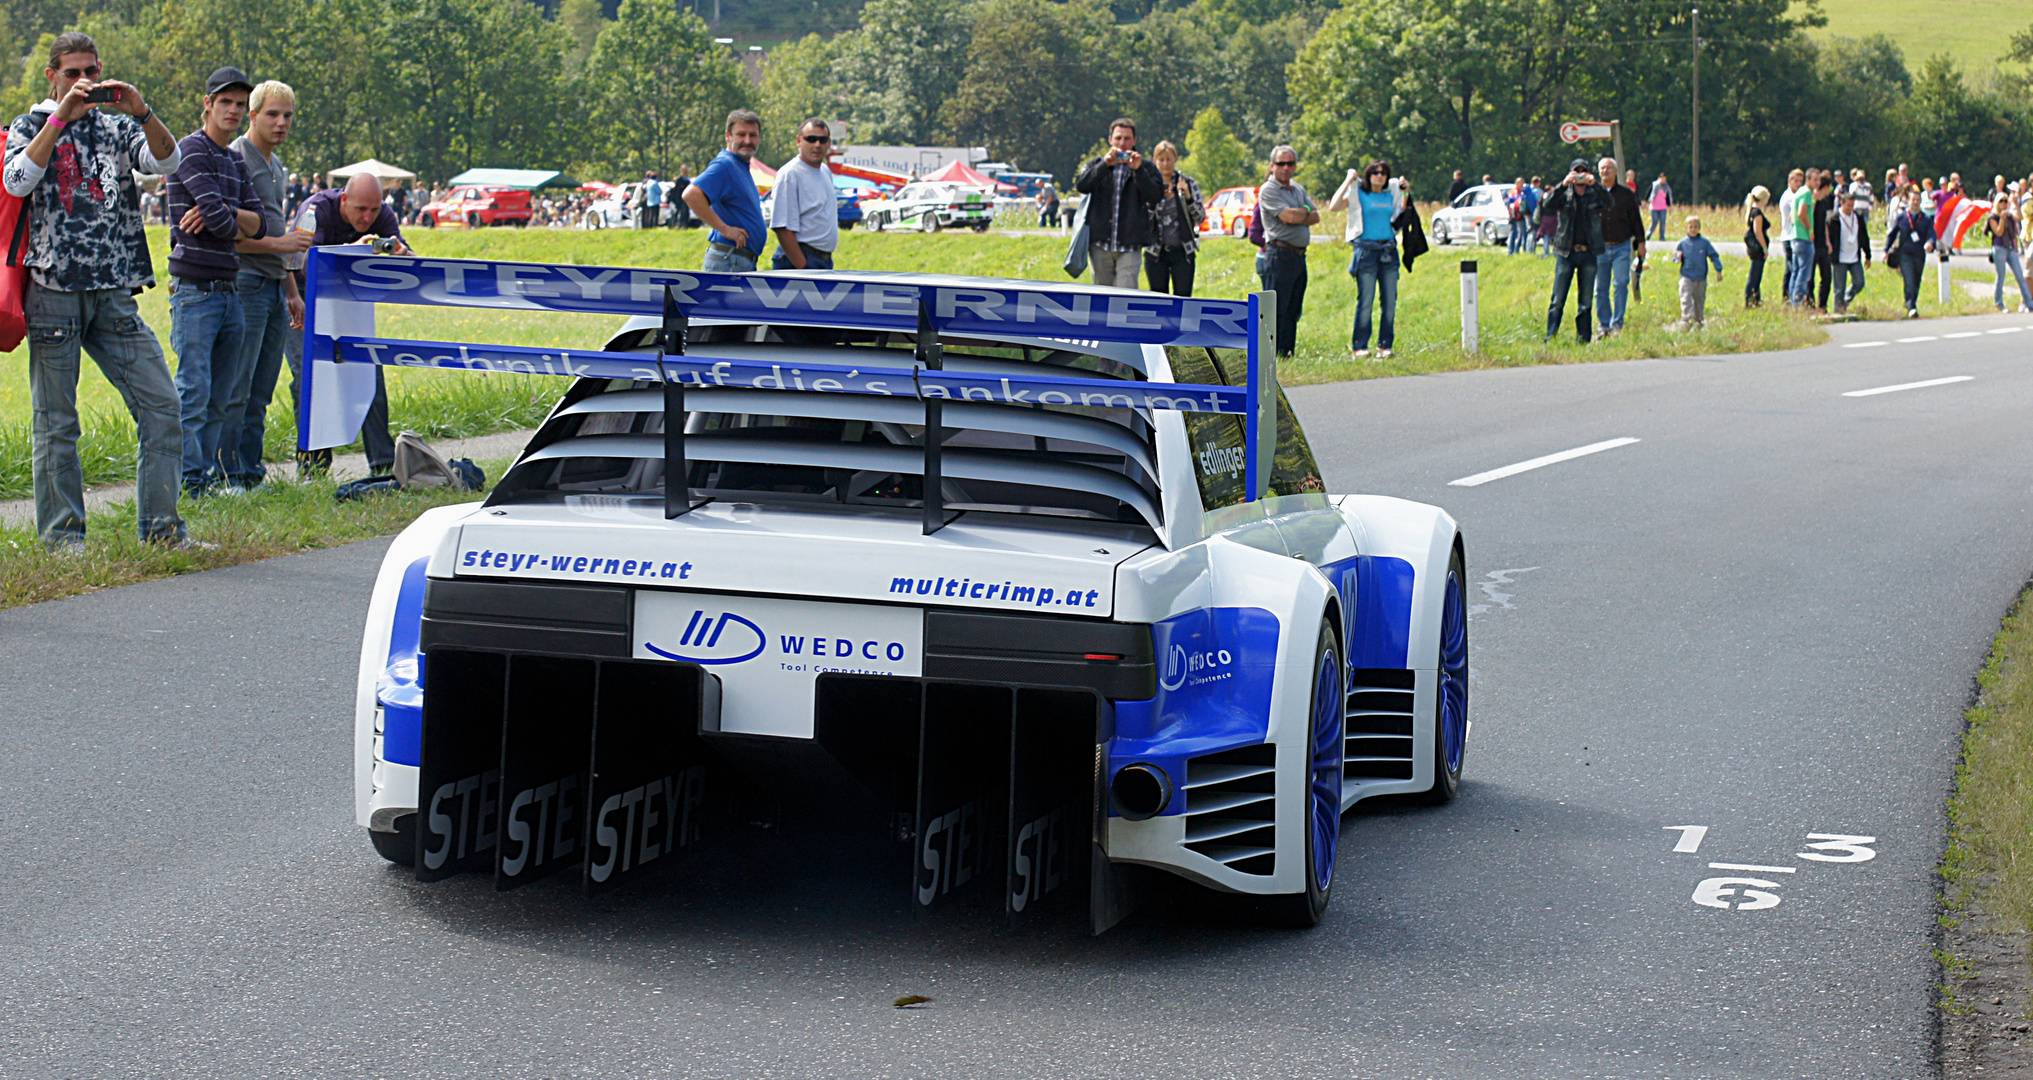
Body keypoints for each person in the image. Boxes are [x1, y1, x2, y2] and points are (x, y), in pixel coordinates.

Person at [2, 32, 198, 549]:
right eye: (72, 73)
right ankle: (63, 542)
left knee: (162, 405)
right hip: (54, 292)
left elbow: (167, 162)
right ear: (52, 76)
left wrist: (142, 109)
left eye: (91, 72)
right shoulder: (29, 124)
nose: (83, 82)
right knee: (56, 424)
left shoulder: (114, 126)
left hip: (113, 293)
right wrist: (59, 118)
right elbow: (17, 181)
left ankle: (162, 532)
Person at [167, 66, 269, 496]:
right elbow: (229, 223)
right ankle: (186, 482)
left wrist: (224, 214)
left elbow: (259, 225)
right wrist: (230, 218)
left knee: (221, 398)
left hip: (230, 291)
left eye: (239, 104)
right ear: (207, 104)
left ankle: (203, 480)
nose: (232, 110)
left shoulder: (233, 159)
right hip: (195, 291)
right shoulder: (189, 150)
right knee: (193, 394)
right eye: (225, 102)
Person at [220, 80, 312, 491]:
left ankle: (251, 470)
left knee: (262, 389)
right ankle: (226, 472)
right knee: (237, 385)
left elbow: (277, 229)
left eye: (288, 116)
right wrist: (281, 247)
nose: (281, 123)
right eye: (272, 114)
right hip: (246, 281)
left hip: (275, 283)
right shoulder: (237, 157)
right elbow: (230, 232)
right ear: (252, 115)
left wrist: (291, 289)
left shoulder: (276, 166)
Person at [295, 174, 411, 475]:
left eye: (374, 210)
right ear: (344, 200)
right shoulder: (315, 210)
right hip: (303, 301)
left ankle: (383, 465)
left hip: (349, 303)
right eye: (360, 209)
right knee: (310, 377)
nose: (368, 217)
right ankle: (313, 468)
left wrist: (402, 254)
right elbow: (300, 261)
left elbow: (405, 259)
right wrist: (351, 249)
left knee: (369, 369)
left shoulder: (382, 213)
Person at [1327, 159, 1409, 359]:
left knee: (1389, 300)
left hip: (1388, 249)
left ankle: (1385, 346)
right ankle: (1360, 346)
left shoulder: (1391, 195)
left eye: (1383, 173)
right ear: (1368, 175)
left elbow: (1402, 213)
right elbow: (1334, 206)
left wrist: (1406, 191)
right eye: (1375, 172)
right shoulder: (1359, 194)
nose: (1379, 176)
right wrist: (1348, 179)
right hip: (1366, 250)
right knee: (1366, 300)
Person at [1073, 117, 1163, 289]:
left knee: (1125, 295)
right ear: (1110, 140)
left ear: (1135, 140)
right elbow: (1082, 185)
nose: (1122, 143)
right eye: (1118, 138)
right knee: (1101, 294)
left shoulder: (1147, 167)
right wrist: (1104, 166)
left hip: (1130, 244)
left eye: (1127, 138)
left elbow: (1155, 196)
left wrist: (1139, 171)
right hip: (1100, 243)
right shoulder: (1097, 164)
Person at [684, 109, 766, 272]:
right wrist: (724, 229)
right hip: (729, 260)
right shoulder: (725, 165)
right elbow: (691, 195)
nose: (747, 141)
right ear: (728, 136)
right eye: (741, 135)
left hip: (737, 259)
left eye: (753, 135)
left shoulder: (739, 165)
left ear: (759, 138)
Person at [1254, 145, 1316, 357]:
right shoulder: (1268, 190)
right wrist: (1303, 213)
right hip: (1279, 254)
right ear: (1272, 166)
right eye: (1281, 164)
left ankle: (1287, 353)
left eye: (1290, 163)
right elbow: (1288, 217)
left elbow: (1316, 215)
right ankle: (1270, 356)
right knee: (1276, 311)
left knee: (1293, 310)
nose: (1286, 168)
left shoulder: (1298, 189)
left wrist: (1303, 212)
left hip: (1298, 256)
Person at [1541, 158, 1609, 344]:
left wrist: (1596, 185)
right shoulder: (1565, 193)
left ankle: (1583, 340)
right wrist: (1563, 184)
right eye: (1576, 172)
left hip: (1589, 252)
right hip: (1566, 252)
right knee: (1558, 299)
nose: (1579, 176)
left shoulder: (1594, 194)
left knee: (1586, 302)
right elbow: (1547, 205)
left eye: (1583, 172)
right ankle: (1550, 337)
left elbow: (1610, 203)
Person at [769, 118, 838, 270]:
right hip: (799, 261)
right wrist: (803, 266)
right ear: (799, 141)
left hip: (823, 260)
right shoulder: (790, 174)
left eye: (822, 140)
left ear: (829, 143)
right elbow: (783, 228)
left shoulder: (825, 171)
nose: (817, 145)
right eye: (811, 139)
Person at [1142, 141, 1204, 296]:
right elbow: (1141, 220)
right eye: (1161, 160)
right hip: (1156, 252)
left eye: (1169, 159)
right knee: (1158, 299)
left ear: (1175, 160)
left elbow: (1200, 216)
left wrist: (1188, 197)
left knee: (1183, 298)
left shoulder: (1187, 182)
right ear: (1155, 161)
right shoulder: (1148, 184)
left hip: (1182, 251)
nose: (1165, 164)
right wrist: (1153, 199)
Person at [1594, 156, 1645, 336]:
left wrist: (1641, 242)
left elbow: (1635, 219)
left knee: (1621, 283)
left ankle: (1618, 324)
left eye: (1609, 168)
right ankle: (1604, 325)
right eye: (1602, 168)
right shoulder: (1593, 193)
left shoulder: (1625, 194)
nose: (1605, 171)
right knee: (1600, 288)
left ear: (1616, 171)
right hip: (1600, 247)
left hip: (1622, 246)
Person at [1884, 189, 1934, 319]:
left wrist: (1930, 243)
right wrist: (1886, 250)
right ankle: (1911, 306)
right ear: (1909, 201)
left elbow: (1932, 234)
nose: (1916, 202)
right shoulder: (1902, 217)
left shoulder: (1926, 219)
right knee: (1909, 279)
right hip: (1904, 254)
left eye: (1918, 200)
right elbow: (1892, 234)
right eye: (1913, 200)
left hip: (1919, 254)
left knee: (1917, 280)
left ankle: (1911, 302)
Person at [1671, 216, 1723, 329]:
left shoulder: (1704, 243)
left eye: (1695, 227)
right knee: (1685, 297)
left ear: (1699, 228)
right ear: (1686, 228)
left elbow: (1714, 256)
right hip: (1687, 276)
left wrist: (1718, 270)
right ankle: (1686, 319)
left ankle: (1699, 320)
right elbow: (1676, 258)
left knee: (1699, 300)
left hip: (1700, 278)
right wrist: (1676, 258)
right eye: (1690, 227)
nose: (1693, 229)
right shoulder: (1683, 243)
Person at [1829, 190, 1871, 314]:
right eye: (1848, 205)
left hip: (1854, 257)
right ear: (1842, 203)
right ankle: (1838, 311)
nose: (1850, 208)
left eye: (1853, 205)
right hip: (1840, 258)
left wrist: (1868, 255)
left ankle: (1846, 300)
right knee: (1839, 288)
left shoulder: (1857, 217)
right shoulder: (1834, 219)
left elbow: (1864, 237)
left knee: (1859, 282)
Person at [1985, 201, 2031, 313]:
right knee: (2001, 277)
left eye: (2006, 201)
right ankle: (1999, 303)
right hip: (1999, 248)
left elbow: (2020, 217)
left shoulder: (2009, 215)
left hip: (2010, 248)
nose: (2004, 204)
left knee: (2020, 276)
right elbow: (1999, 232)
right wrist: (2002, 219)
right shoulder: (1992, 217)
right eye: (2001, 201)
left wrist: (2016, 204)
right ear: (1997, 203)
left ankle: (2029, 303)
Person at [1776, 168, 1812, 306]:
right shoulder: (1790, 196)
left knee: (1792, 269)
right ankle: (1789, 298)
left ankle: (1789, 298)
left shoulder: (1794, 195)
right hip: (1789, 235)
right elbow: (1794, 215)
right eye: (1796, 181)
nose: (1798, 184)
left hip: (1790, 235)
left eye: (1800, 181)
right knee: (1792, 270)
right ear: (1789, 181)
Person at [1811, 169, 1837, 311]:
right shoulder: (1813, 200)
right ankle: (1810, 304)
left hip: (1822, 243)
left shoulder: (1824, 202)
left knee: (1826, 276)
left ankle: (1822, 305)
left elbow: (1824, 223)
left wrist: (1828, 241)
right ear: (1826, 187)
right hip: (1812, 242)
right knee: (1810, 277)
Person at [1742, 185, 1770, 308]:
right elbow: (1758, 231)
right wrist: (1764, 248)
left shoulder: (1751, 211)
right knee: (1755, 274)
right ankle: (1751, 299)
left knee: (1756, 273)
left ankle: (1755, 298)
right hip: (1758, 248)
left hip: (1753, 248)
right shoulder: (1757, 213)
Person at [1504, 177, 1536, 255]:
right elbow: (1512, 200)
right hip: (1515, 215)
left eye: (1523, 183)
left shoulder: (1523, 191)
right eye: (1520, 183)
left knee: (1522, 232)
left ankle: (1519, 249)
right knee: (1515, 232)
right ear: (1517, 183)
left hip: (1522, 214)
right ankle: (1512, 250)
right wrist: (1520, 199)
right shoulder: (1514, 191)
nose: (1522, 185)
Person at [1533, 176, 1556, 256]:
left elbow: (1539, 210)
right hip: (1553, 219)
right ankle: (1555, 253)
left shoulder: (1542, 199)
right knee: (1555, 237)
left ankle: (1546, 253)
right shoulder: (1553, 199)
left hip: (1544, 219)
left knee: (1546, 237)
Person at [1647, 173, 1671, 239]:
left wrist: (1669, 206)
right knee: (1654, 221)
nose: (1663, 179)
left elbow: (1668, 197)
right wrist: (1645, 202)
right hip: (1654, 207)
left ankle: (1662, 237)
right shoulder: (1654, 185)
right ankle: (1648, 234)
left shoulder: (1666, 187)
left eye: (1664, 178)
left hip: (1663, 207)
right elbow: (1649, 193)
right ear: (1659, 178)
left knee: (1663, 222)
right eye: (1662, 178)